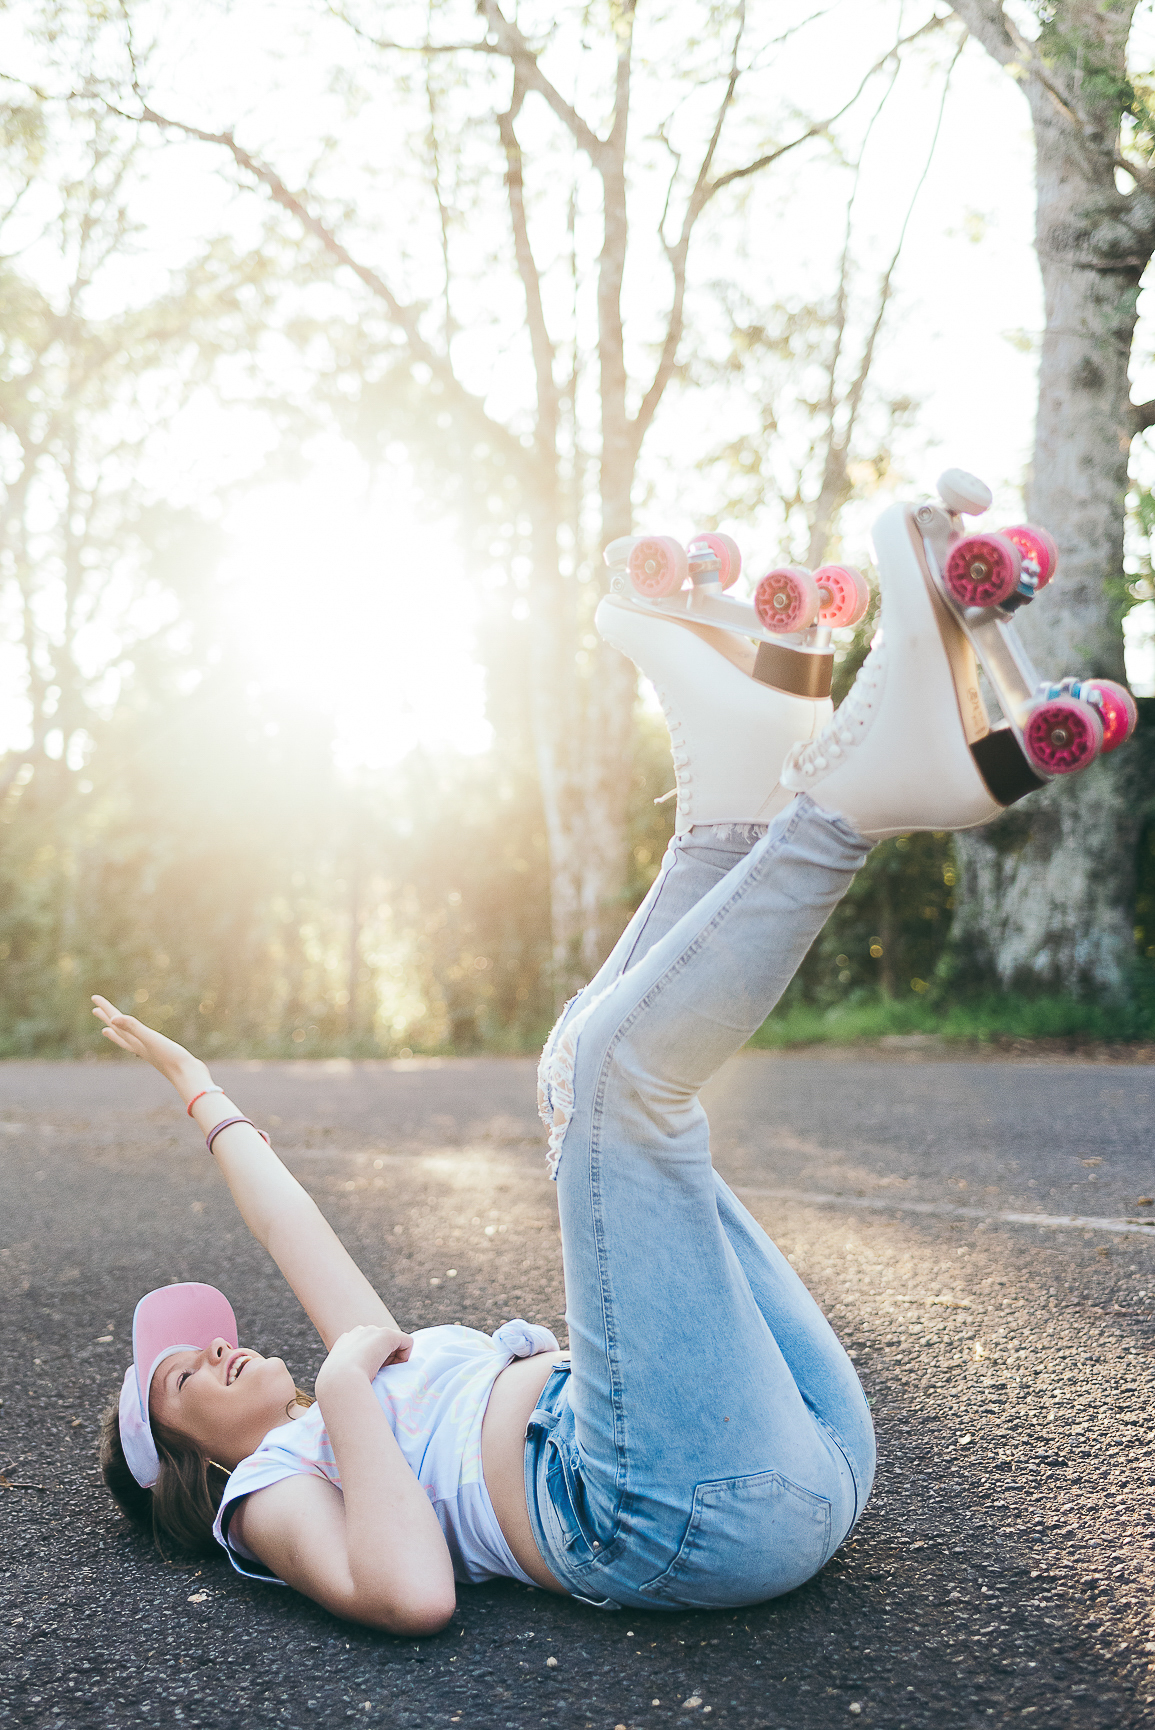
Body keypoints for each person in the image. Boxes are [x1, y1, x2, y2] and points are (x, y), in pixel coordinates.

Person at [97, 486, 1082, 1631]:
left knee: (575, 1073)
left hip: (792, 1448)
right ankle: (849, 807)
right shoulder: (267, 1493)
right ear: (184, 1462)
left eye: (195, 1341)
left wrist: (199, 1088)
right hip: (667, 1514)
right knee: (618, 1083)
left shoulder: (357, 1379)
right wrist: (347, 1390)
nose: (212, 1345)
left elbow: (288, 1226)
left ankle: (731, 810)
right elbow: (412, 1596)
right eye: (178, 1376)